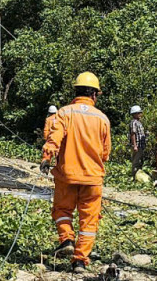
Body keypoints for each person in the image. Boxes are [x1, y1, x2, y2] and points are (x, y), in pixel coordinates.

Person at [41, 73, 112, 270]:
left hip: (67, 176)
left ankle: (66, 240)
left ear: (75, 92)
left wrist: (46, 158)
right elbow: (106, 153)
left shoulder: (64, 113)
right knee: (89, 221)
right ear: (95, 94)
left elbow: (54, 139)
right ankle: (80, 260)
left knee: (62, 210)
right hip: (92, 179)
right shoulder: (102, 119)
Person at [127, 105, 148, 177]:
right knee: (136, 162)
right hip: (137, 146)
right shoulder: (134, 122)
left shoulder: (139, 122)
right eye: (138, 113)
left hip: (141, 146)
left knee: (140, 161)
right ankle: (134, 176)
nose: (140, 114)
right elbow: (133, 134)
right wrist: (135, 146)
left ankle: (138, 175)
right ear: (134, 114)